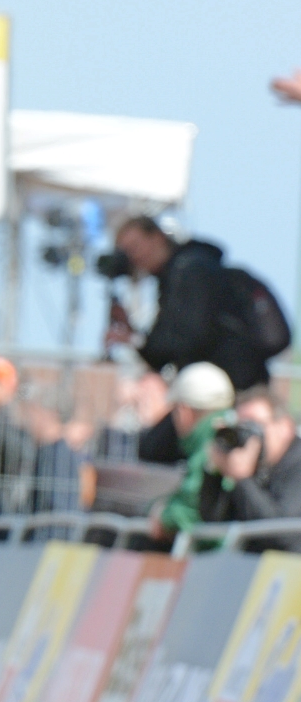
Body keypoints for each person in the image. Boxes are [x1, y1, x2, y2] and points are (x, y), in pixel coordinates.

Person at [110, 217, 271, 391]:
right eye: (125, 253)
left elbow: (188, 339)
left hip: (229, 386)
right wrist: (133, 334)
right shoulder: (180, 272)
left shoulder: (189, 270)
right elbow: (163, 353)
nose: (133, 257)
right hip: (221, 384)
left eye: (134, 247)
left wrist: (135, 338)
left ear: (157, 237)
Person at [198, 388, 301, 551]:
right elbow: (214, 519)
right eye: (241, 425)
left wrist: (243, 479)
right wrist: (215, 470)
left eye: (254, 424)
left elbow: (281, 534)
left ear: (285, 427)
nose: (247, 435)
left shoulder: (297, 464)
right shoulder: (256, 466)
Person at [150, 361, 234, 541]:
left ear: (184, 411)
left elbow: (192, 507)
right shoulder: (230, 433)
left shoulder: (210, 447)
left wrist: (164, 515)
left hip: (216, 554)